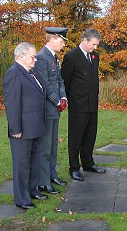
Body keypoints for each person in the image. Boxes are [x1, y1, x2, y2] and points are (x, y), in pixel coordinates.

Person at [3, 42, 48, 210]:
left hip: (34, 127)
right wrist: (16, 129)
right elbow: (12, 103)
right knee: (21, 165)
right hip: (22, 129)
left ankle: (32, 189)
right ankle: (22, 199)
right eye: (32, 56)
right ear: (22, 56)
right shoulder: (14, 73)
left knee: (32, 161)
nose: (35, 59)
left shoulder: (31, 72)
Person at [61, 28, 106, 181]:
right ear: (85, 41)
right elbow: (65, 81)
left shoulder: (95, 56)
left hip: (92, 103)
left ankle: (88, 163)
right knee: (76, 137)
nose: (95, 47)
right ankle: (74, 168)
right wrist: (66, 100)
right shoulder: (71, 57)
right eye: (93, 44)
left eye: (96, 45)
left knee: (90, 136)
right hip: (77, 105)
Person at [33, 27, 68, 194]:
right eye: (61, 42)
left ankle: (52, 174)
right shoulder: (41, 58)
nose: (62, 45)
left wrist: (63, 98)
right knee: (44, 147)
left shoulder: (54, 57)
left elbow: (60, 80)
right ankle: (43, 181)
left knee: (53, 145)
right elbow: (44, 85)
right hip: (47, 109)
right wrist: (56, 101)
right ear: (52, 39)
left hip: (55, 109)